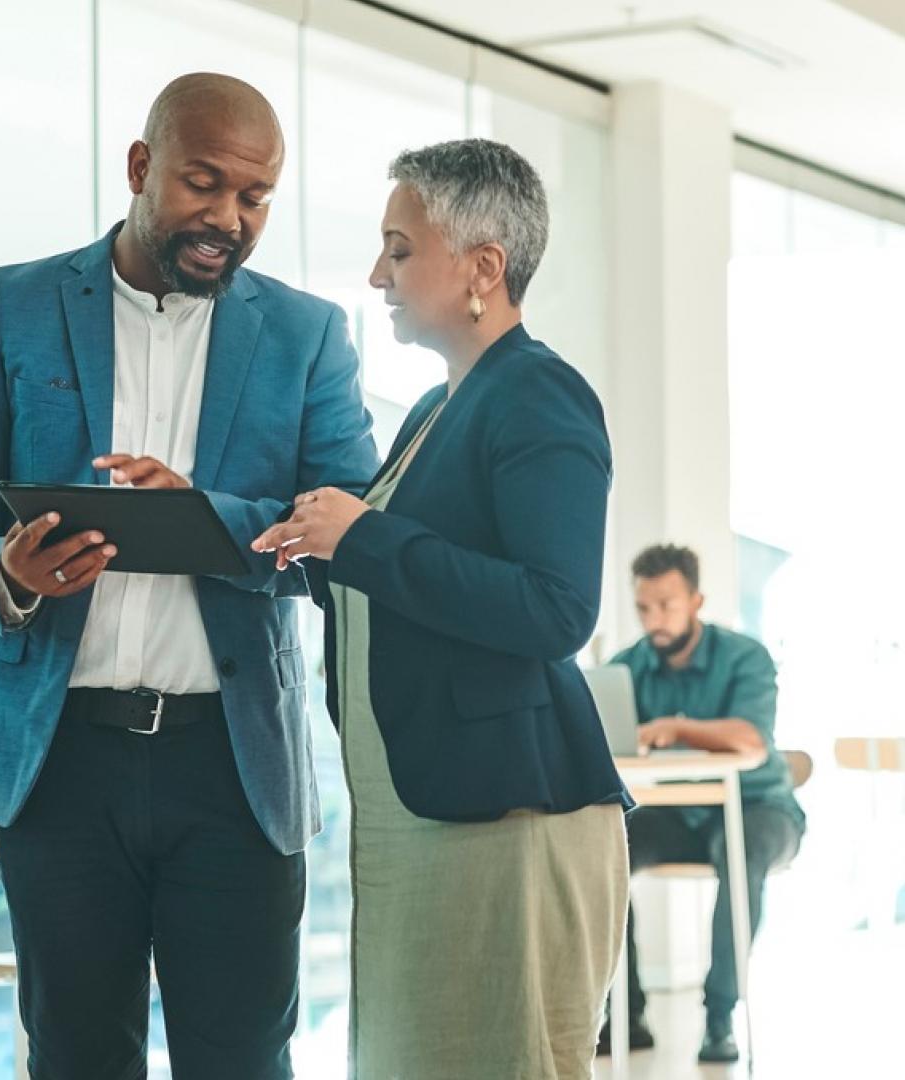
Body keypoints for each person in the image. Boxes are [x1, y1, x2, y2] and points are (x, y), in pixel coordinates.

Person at [0, 72, 378, 1078]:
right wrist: (8, 570)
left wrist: (201, 520)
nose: (227, 218)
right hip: (59, 761)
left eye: (253, 199)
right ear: (139, 167)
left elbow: (347, 539)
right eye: (203, 184)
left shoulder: (305, 336)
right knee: (76, 1059)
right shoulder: (11, 307)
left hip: (233, 765)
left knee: (242, 1060)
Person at [251, 138, 628, 1080]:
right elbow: (396, 582)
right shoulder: (434, 409)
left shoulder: (540, 395)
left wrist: (364, 541)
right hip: (426, 816)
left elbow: (556, 609)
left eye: (399, 248)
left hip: (507, 820)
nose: (376, 272)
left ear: (483, 269)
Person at [605, 544, 806, 1065]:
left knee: (741, 856)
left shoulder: (746, 657)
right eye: (644, 607)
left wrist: (674, 727)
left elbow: (751, 740)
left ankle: (719, 1016)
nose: (655, 620)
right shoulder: (625, 668)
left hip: (760, 808)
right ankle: (625, 1015)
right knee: (606, 850)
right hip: (676, 811)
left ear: (696, 600)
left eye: (667, 605)